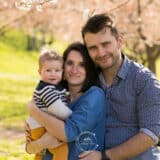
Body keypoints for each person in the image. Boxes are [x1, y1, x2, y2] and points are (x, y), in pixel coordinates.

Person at [79, 13, 160, 160]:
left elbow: (150, 134)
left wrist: (105, 156)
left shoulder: (144, 80)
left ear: (119, 42)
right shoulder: (88, 79)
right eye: (93, 48)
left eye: (105, 44)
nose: (101, 53)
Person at [25, 42, 106, 160]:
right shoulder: (57, 94)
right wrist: (35, 145)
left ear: (89, 69)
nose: (74, 70)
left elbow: (69, 132)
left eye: (82, 65)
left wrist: (35, 111)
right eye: (70, 63)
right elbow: (31, 145)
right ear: (62, 67)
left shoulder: (94, 95)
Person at [26, 48, 72, 160]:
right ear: (39, 72)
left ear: (62, 72)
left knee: (41, 153)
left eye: (57, 70)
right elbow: (60, 111)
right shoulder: (46, 89)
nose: (53, 74)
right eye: (48, 70)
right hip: (41, 127)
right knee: (62, 150)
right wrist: (73, 116)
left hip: (40, 126)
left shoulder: (54, 87)